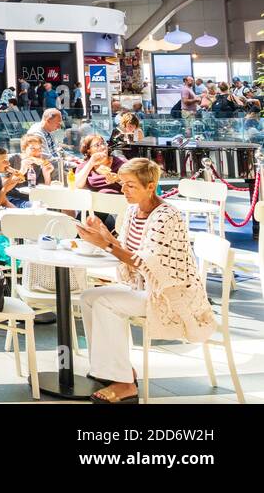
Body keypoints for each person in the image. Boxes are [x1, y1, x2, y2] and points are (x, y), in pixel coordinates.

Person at [75, 158, 215, 402]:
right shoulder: (132, 211)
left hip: (169, 295)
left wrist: (105, 244)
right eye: (123, 184)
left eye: (130, 185)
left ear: (151, 186)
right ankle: (115, 370)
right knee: (88, 297)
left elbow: (144, 262)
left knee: (106, 303)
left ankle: (125, 383)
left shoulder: (166, 216)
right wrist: (103, 235)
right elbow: (128, 250)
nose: (123, 190)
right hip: (144, 287)